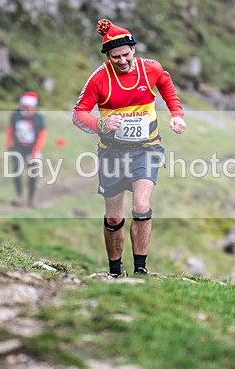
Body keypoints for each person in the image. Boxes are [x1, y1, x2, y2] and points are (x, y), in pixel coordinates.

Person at [72, 19, 187, 277]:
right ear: (108, 57)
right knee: (114, 218)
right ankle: (115, 271)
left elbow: (166, 85)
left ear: (133, 49)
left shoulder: (151, 68)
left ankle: (140, 270)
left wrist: (176, 114)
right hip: (111, 152)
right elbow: (78, 113)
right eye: (116, 57)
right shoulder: (99, 79)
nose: (122, 61)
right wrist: (101, 124)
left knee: (141, 206)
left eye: (126, 54)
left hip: (146, 148)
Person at [6, 92, 47, 207]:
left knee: (33, 173)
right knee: (16, 170)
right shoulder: (16, 115)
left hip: (32, 149)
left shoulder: (38, 118)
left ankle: (31, 198)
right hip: (18, 147)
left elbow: (42, 135)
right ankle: (19, 196)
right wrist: (9, 145)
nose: (30, 109)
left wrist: (36, 150)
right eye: (28, 107)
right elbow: (10, 130)